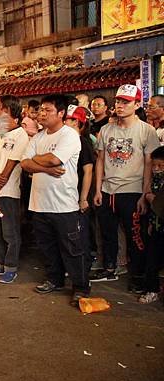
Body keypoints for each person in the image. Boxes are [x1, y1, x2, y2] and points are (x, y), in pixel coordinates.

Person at [21, 94, 90, 306]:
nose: (42, 113)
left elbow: (55, 159)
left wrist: (38, 161)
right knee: (47, 247)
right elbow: (24, 163)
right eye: (41, 109)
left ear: (61, 113)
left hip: (63, 204)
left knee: (71, 248)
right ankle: (55, 279)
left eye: (47, 110)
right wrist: (44, 168)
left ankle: (80, 286)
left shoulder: (69, 135)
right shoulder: (39, 137)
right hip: (39, 204)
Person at [91, 85, 160, 292]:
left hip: (132, 190)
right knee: (107, 233)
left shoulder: (146, 131)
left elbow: (150, 163)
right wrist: (97, 189)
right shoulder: (106, 129)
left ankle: (138, 276)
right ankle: (109, 268)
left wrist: (144, 193)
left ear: (137, 104)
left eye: (125, 102)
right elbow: (100, 160)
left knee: (135, 237)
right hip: (107, 190)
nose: (120, 106)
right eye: (118, 101)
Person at [0, 95, 29, 284]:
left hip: (8, 192)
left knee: (9, 232)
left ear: (8, 110)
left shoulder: (21, 135)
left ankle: (10, 267)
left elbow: (9, 168)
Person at [65, 105, 96, 267]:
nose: (64, 122)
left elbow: (88, 171)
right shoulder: (65, 141)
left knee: (80, 232)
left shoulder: (83, 142)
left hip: (79, 194)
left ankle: (84, 265)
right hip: (67, 194)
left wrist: (83, 198)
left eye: (68, 120)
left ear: (77, 122)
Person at [140, 146, 164, 304]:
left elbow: (159, 205)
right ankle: (152, 289)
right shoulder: (154, 181)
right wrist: (151, 223)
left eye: (161, 166)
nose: (156, 169)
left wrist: (150, 198)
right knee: (152, 260)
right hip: (156, 227)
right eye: (154, 165)